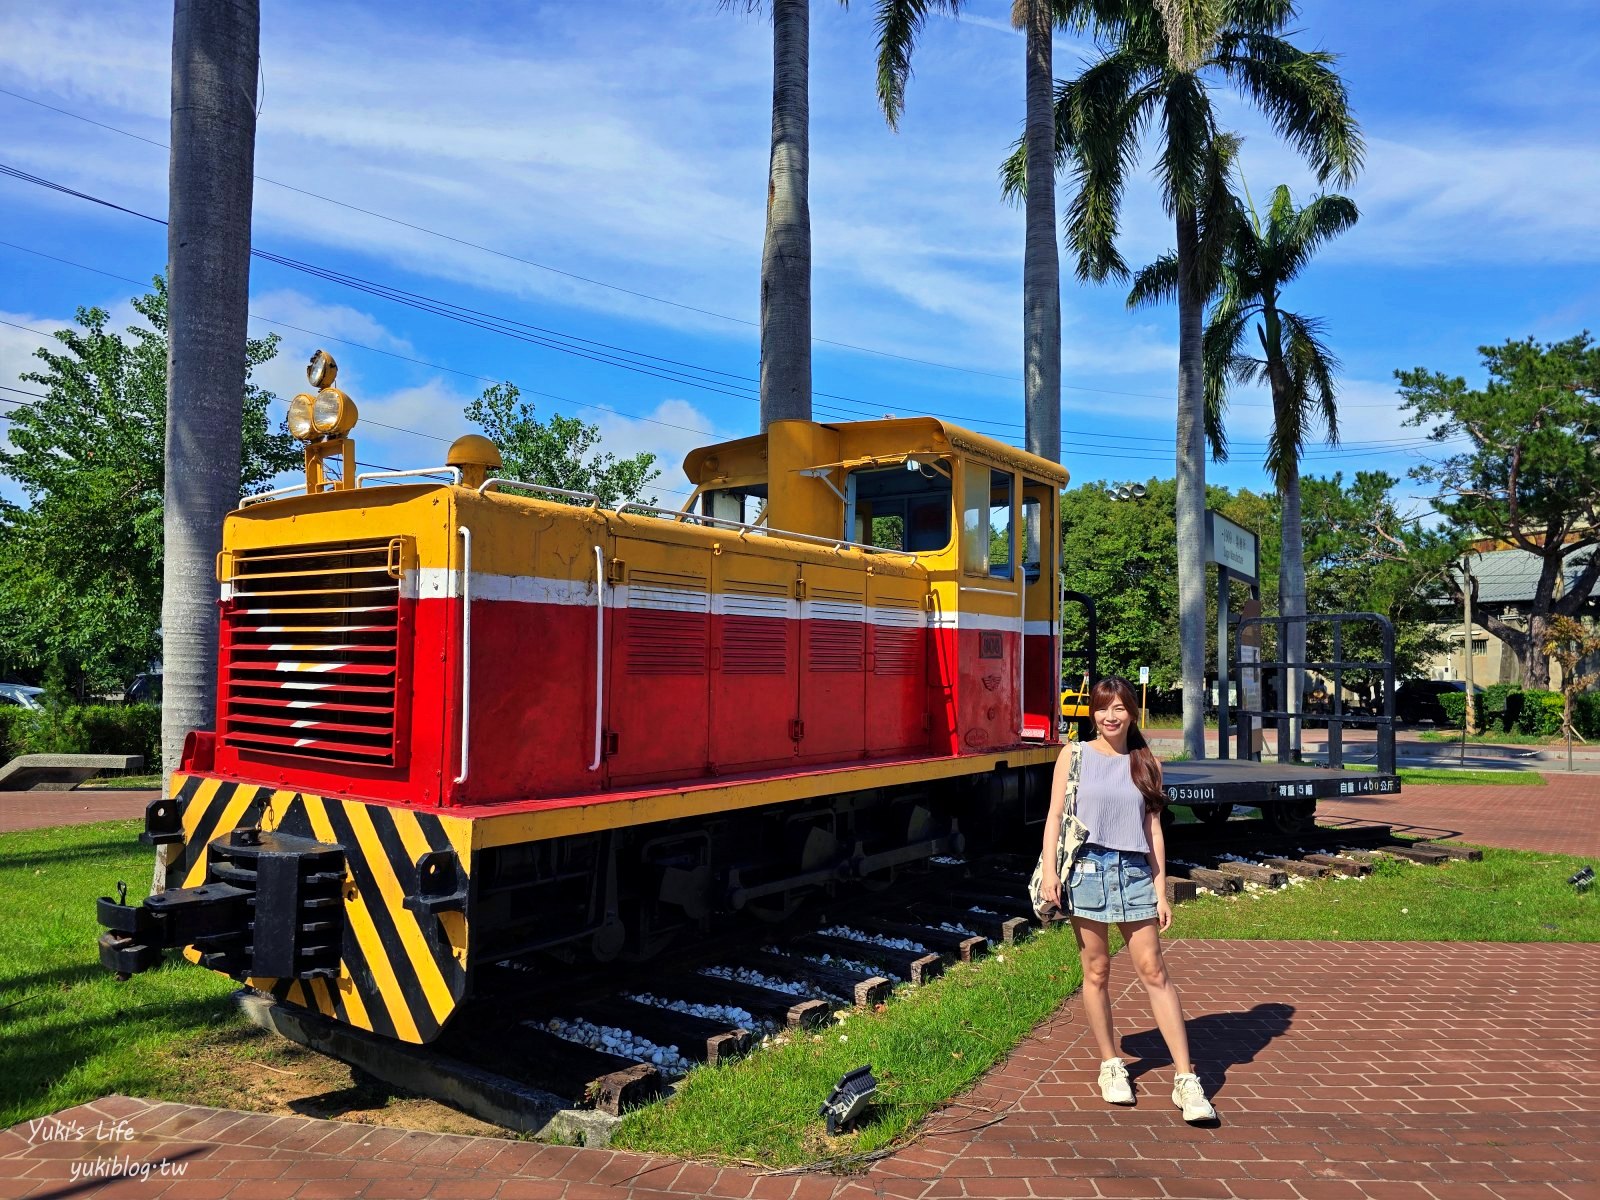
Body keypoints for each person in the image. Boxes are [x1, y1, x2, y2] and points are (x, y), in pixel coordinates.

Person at [1040, 675, 1216, 1122]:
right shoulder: (1074, 754)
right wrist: (1048, 870)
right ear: (1093, 713)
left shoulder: (1145, 761)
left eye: (1118, 708)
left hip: (1135, 873)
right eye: (1102, 708)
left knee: (1154, 970)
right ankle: (1111, 1064)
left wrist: (1161, 889)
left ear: (1132, 712)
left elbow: (1153, 829)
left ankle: (1185, 1078)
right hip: (1087, 871)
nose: (1110, 716)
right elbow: (1056, 815)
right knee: (1096, 970)